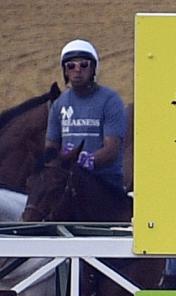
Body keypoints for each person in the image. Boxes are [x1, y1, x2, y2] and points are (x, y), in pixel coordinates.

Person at [47, 43, 130, 206]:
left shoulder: (110, 100)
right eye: (71, 66)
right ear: (65, 71)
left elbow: (111, 149)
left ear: (93, 69)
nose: (77, 70)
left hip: (104, 181)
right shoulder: (59, 104)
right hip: (70, 182)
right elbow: (50, 146)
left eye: (84, 65)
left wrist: (84, 163)